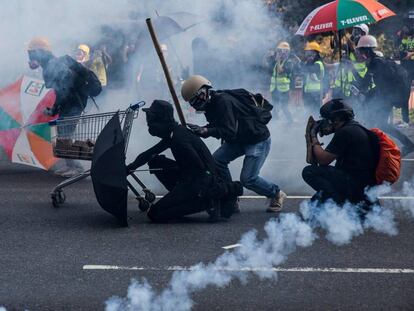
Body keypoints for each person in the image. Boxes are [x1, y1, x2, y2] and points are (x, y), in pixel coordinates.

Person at [181, 75, 287, 213]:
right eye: (193, 101)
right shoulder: (211, 104)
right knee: (216, 161)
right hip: (239, 138)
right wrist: (204, 129)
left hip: (256, 139)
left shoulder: (222, 101)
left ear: (206, 90)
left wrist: (206, 130)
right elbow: (221, 125)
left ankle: (276, 194)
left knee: (248, 178)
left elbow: (228, 130)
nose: (197, 102)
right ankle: (231, 195)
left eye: (198, 96)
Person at [126, 100, 243, 223]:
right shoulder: (173, 132)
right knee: (155, 161)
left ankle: (211, 199)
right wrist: (130, 167)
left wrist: (197, 191)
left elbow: (201, 170)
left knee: (155, 214)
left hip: (199, 183)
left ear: (161, 120)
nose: (149, 123)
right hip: (189, 175)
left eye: (152, 119)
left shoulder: (179, 140)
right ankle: (188, 198)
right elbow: (149, 153)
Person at [27, 37, 96, 176]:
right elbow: (62, 90)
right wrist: (55, 109)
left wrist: (55, 108)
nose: (30, 57)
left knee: (65, 135)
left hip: (73, 103)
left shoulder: (52, 65)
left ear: (39, 53)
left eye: (31, 54)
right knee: (63, 134)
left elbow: (64, 90)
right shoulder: (51, 64)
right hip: (72, 102)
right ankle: (72, 164)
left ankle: (79, 166)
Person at [302, 99, 379, 208]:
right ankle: (333, 201)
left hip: (355, 185)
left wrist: (313, 136)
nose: (326, 122)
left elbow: (323, 160)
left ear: (337, 118)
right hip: (364, 186)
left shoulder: (345, 132)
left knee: (309, 171)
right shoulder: (355, 128)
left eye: (328, 119)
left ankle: (337, 203)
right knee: (314, 204)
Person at [355, 35, 414, 156]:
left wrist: (368, 95)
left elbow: (379, 85)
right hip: (387, 97)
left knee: (373, 122)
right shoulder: (375, 62)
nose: (359, 54)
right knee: (380, 124)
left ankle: (376, 151)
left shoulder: (377, 63)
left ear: (366, 50)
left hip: (386, 98)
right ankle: (406, 145)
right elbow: (370, 83)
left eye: (360, 51)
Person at [269, 41, 299, 123]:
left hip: (283, 89)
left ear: (287, 52)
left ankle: (290, 121)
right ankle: (276, 121)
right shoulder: (276, 62)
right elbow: (265, 65)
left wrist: (278, 60)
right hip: (274, 88)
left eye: (284, 51)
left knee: (284, 106)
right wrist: (270, 56)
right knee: (274, 106)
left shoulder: (289, 62)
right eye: (279, 51)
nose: (281, 53)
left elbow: (280, 71)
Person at [301, 41, 325, 116]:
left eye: (309, 53)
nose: (307, 55)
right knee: (309, 112)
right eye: (307, 53)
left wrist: (306, 63)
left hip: (316, 93)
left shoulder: (318, 64)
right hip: (308, 93)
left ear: (315, 53)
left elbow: (310, 69)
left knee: (316, 113)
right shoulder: (309, 63)